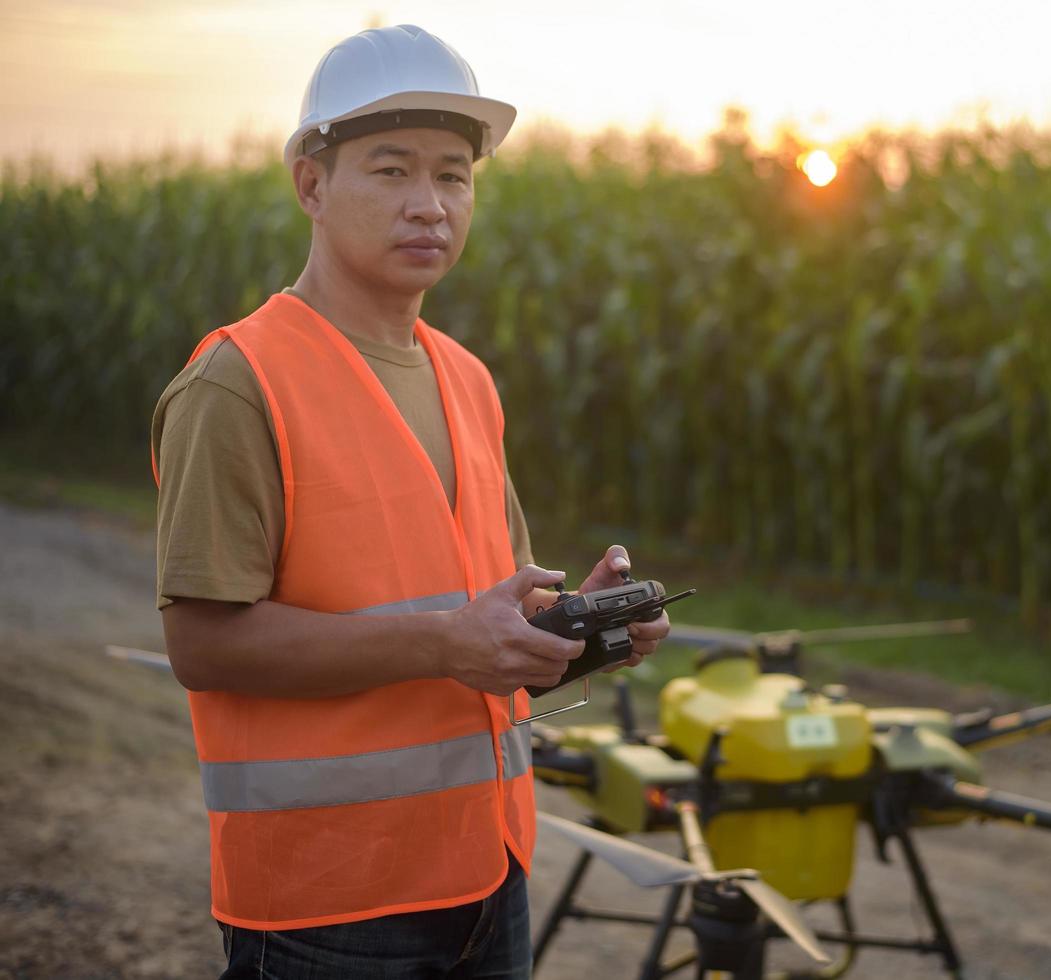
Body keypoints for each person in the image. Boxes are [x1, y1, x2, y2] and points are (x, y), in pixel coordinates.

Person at [150, 24, 669, 978]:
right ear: (312, 184)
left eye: (454, 177)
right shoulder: (238, 382)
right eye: (390, 172)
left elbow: (483, 631)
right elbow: (203, 645)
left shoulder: (466, 378)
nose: (429, 205)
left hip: (487, 875)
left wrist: (571, 633)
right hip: (328, 912)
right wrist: (445, 642)